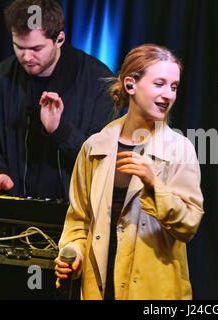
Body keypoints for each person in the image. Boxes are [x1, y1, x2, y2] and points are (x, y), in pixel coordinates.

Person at [54, 44, 204, 300]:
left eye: (174, 86)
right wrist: (73, 252)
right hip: (99, 289)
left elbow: (189, 224)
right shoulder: (95, 146)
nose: (168, 94)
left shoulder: (180, 150)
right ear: (130, 85)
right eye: (159, 84)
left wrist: (154, 184)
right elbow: (78, 220)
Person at [0, 0, 114, 200]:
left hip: (73, 215)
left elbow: (102, 159)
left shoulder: (100, 82)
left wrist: (59, 130)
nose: (26, 56)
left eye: (36, 48)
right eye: (18, 47)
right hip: (13, 210)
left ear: (60, 39)